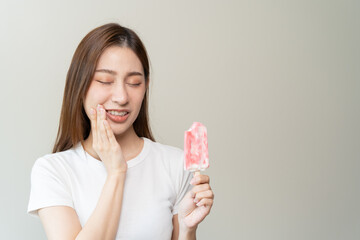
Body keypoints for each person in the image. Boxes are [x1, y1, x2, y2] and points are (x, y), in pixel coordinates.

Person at [27, 23, 214, 240]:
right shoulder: (53, 171)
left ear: (146, 87)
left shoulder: (175, 164)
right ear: (79, 85)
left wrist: (187, 229)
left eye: (134, 83)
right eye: (105, 80)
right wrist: (116, 173)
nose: (121, 97)